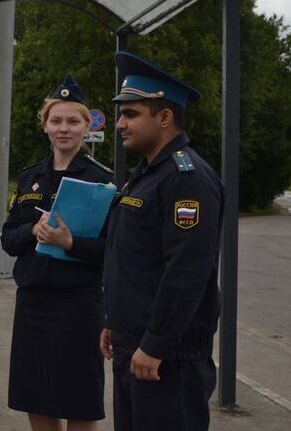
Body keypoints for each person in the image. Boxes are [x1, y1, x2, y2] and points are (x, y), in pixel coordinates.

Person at [100, 51, 224, 431]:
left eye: (131, 114)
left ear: (165, 117)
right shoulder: (148, 175)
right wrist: (113, 322)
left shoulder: (186, 178)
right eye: (121, 113)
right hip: (134, 349)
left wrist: (155, 344)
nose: (120, 123)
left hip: (166, 360)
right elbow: (131, 258)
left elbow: (186, 271)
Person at [1, 75, 113, 431]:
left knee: (80, 401)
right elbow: (7, 238)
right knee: (36, 396)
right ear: (45, 126)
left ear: (86, 126)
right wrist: (32, 230)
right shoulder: (30, 178)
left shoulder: (102, 182)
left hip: (79, 306)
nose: (64, 129)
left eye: (72, 121)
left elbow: (113, 250)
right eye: (56, 121)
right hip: (33, 303)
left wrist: (70, 243)